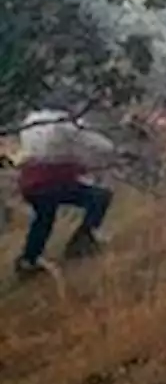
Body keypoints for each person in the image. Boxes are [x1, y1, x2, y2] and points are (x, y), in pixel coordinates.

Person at [12, 103, 119, 277]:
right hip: (52, 181)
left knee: (43, 218)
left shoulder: (31, 121)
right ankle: (82, 241)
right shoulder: (66, 124)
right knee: (99, 197)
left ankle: (28, 260)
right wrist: (114, 150)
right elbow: (99, 144)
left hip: (30, 183)